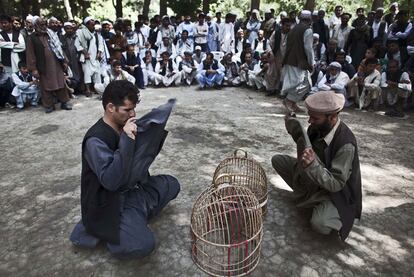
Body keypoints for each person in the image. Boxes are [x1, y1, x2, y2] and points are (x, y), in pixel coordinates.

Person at [70, 80, 180, 259]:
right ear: (111, 107)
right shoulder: (95, 140)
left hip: (134, 190)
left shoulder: (124, 125)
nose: (133, 114)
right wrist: (127, 140)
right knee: (142, 245)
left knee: (172, 184)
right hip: (110, 201)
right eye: (127, 110)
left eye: (134, 108)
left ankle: (135, 215)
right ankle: (113, 228)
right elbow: (111, 181)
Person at [271, 91, 362, 240]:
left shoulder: (345, 144)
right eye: (309, 116)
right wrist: (292, 126)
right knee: (277, 160)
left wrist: (312, 165)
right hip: (314, 175)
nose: (309, 121)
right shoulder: (317, 127)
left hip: (333, 192)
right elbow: (305, 143)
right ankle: (309, 196)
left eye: (314, 118)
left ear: (332, 117)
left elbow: (336, 184)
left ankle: (328, 210)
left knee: (320, 223)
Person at [26, 16, 71, 113]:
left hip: (56, 63)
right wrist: (33, 69)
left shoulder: (50, 34)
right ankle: (49, 105)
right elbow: (30, 54)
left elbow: (59, 48)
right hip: (43, 66)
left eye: (44, 24)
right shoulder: (31, 38)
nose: (43, 26)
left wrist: (64, 60)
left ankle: (64, 102)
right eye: (41, 24)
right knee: (46, 86)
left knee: (61, 83)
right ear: (35, 25)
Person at [281, 10, 314, 113]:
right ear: (310, 20)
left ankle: (293, 103)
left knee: (295, 83)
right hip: (299, 61)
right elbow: (308, 48)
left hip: (290, 60)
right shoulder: (307, 30)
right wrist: (311, 62)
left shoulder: (293, 28)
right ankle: (289, 101)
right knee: (305, 83)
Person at [75, 17, 105, 97]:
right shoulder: (81, 32)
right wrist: (85, 53)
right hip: (86, 57)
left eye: (94, 25)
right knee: (87, 73)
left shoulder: (96, 34)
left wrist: (99, 52)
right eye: (92, 25)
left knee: (97, 73)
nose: (93, 26)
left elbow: (101, 44)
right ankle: (87, 90)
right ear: (86, 25)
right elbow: (77, 44)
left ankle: (97, 88)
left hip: (95, 56)